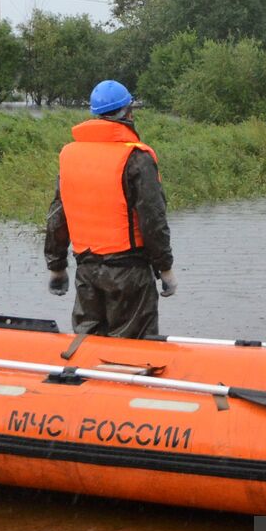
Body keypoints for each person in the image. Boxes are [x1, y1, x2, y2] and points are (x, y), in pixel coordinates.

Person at [44, 79, 175, 338]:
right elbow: (153, 220)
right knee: (133, 352)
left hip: (87, 272)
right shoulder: (137, 157)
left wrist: (56, 266)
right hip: (130, 273)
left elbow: (58, 215)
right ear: (128, 113)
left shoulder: (70, 155)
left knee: (88, 345)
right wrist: (165, 268)